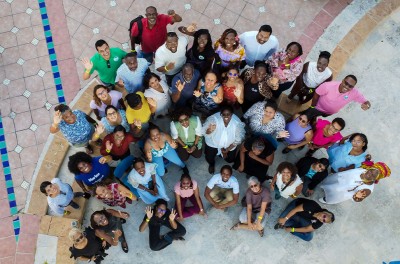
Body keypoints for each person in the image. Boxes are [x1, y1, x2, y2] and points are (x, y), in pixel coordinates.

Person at [202, 105, 245, 174]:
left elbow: (238, 140)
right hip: (213, 143)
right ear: (220, 114)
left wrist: (228, 149)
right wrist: (209, 130)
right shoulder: (214, 119)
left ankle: (221, 154)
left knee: (230, 160)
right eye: (223, 114)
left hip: (229, 145)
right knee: (209, 157)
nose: (226, 117)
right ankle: (212, 164)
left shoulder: (237, 123)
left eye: (228, 114)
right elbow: (204, 132)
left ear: (232, 114)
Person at [319, 167, 385, 204]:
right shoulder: (363, 170)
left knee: (334, 194)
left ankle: (326, 199)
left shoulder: (368, 189)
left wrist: (357, 197)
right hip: (341, 179)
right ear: (369, 169)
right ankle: (325, 186)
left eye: (373, 175)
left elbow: (358, 199)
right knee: (330, 184)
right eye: (371, 171)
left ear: (375, 179)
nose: (370, 174)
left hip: (344, 191)